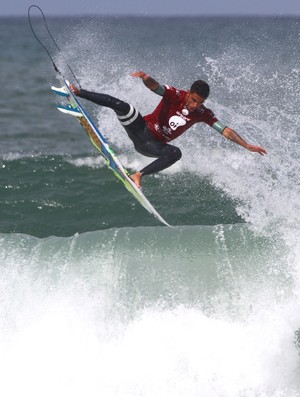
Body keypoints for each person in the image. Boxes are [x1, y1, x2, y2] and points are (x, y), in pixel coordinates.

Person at [70, 72, 267, 189]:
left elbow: (224, 130)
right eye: (193, 100)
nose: (194, 105)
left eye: (199, 103)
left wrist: (247, 145)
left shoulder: (202, 113)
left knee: (176, 153)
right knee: (122, 106)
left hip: (152, 146)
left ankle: (138, 175)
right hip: (140, 128)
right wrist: (146, 78)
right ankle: (79, 92)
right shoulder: (176, 95)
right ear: (189, 94)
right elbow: (156, 87)